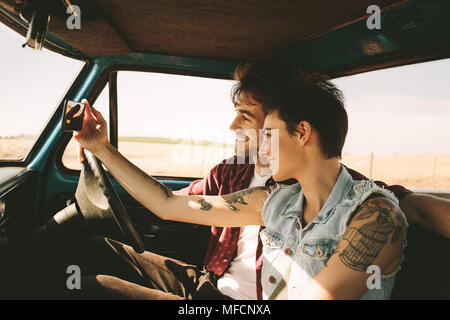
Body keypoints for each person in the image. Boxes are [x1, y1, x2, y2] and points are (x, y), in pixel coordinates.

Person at [71, 59, 417, 299]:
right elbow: (166, 203)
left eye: (268, 134)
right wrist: (101, 147)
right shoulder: (274, 201)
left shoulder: (376, 217)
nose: (258, 147)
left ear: (302, 133)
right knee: (92, 276)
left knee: (94, 290)